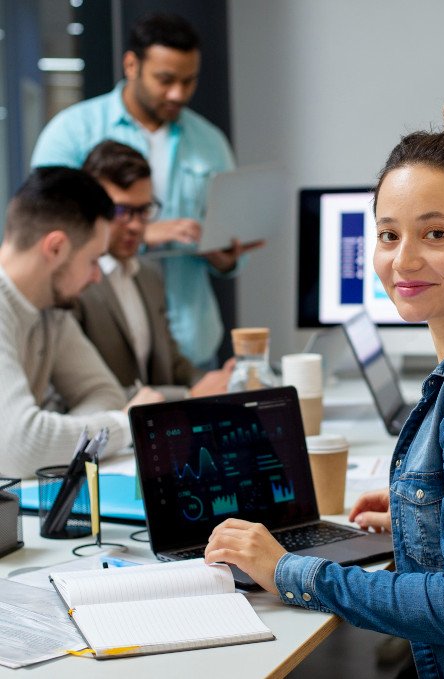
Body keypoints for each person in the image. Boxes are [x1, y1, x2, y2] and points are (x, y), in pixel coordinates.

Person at [205, 97, 444, 678]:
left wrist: (285, 569)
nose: (403, 260)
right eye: (388, 235)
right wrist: (434, 517)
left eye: (435, 233)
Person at [31, 12, 263, 368]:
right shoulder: (72, 132)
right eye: (165, 79)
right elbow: (47, 230)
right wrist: (143, 232)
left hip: (192, 342)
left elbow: (227, 238)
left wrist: (226, 256)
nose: (178, 93)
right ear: (131, 65)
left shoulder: (210, 142)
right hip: (101, 344)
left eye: (189, 81)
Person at [0, 166, 163, 479]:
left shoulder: (50, 310)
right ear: (56, 247)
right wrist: (123, 425)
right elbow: (21, 446)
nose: (97, 276)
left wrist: (56, 437)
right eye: (92, 260)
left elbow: (105, 395)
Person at [75, 140, 233, 400]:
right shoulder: (76, 285)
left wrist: (218, 381)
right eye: (122, 211)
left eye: (144, 210)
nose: (136, 226)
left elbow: (171, 363)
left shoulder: (149, 274)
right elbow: (82, 395)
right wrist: (186, 395)